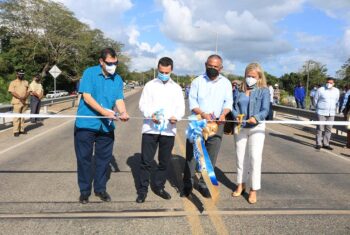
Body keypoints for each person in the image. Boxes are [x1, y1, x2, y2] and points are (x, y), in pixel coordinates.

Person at [74, 48, 129, 204]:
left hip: (106, 127)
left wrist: (123, 112)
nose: (113, 66)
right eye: (109, 63)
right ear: (101, 61)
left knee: (103, 160)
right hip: (86, 124)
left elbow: (119, 99)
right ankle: (84, 191)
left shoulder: (117, 79)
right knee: (84, 159)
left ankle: (100, 189)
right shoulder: (90, 73)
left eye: (115, 63)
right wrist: (104, 112)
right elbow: (87, 97)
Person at [182, 54, 233, 198]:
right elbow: (192, 102)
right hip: (198, 122)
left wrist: (224, 114)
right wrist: (203, 114)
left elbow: (228, 102)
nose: (212, 68)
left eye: (215, 67)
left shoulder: (226, 83)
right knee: (192, 155)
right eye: (210, 66)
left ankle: (204, 184)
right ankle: (187, 184)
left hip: (216, 124)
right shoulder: (197, 81)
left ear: (221, 68)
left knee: (210, 156)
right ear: (205, 65)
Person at [136, 57, 185, 203]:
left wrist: (176, 117)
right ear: (158, 69)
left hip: (168, 131)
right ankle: (142, 190)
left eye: (166, 72)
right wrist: (150, 115)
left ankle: (159, 186)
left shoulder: (176, 88)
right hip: (150, 129)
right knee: (146, 161)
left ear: (171, 71)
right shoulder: (149, 85)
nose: (164, 74)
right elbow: (142, 104)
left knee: (164, 162)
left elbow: (181, 108)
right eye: (161, 71)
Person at [231, 63, 269, 204]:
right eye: (248, 76)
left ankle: (253, 189)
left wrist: (256, 117)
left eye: (253, 76)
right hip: (240, 127)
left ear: (259, 77)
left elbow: (265, 109)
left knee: (255, 158)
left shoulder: (263, 91)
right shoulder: (239, 90)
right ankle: (240, 184)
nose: (250, 78)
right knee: (240, 158)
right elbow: (233, 106)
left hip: (256, 127)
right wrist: (236, 115)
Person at [314, 77, 340, 150]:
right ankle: (318, 143)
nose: (329, 84)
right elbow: (315, 100)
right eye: (328, 82)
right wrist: (318, 108)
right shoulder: (320, 90)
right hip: (321, 112)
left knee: (329, 129)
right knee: (320, 128)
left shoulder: (336, 91)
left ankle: (326, 143)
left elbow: (337, 100)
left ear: (334, 83)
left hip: (331, 113)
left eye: (331, 83)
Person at [8, 69, 29, 137]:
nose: (21, 75)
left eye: (22, 74)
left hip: (25, 102)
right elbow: (12, 92)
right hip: (17, 102)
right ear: (17, 74)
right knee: (16, 117)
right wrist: (20, 98)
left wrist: (24, 97)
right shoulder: (13, 82)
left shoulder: (26, 82)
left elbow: (29, 91)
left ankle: (22, 130)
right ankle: (16, 131)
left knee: (23, 117)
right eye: (20, 74)